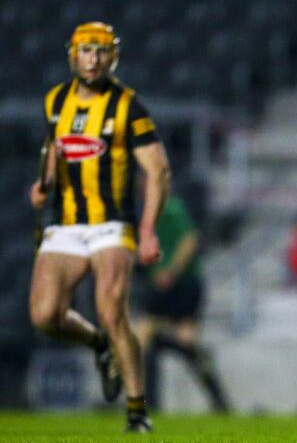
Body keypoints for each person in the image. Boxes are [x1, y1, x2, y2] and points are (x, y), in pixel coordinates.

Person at [28, 22, 170, 433]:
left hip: (112, 223)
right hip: (67, 222)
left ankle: (137, 410)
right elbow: (54, 151)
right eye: (87, 51)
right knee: (44, 315)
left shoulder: (128, 105)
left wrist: (147, 230)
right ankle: (98, 344)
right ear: (74, 55)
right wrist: (43, 185)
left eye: (101, 51)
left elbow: (158, 171)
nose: (94, 59)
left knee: (111, 310)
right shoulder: (55, 100)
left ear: (113, 56)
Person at [134, 193, 229, 412]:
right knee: (142, 340)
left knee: (184, 343)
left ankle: (219, 402)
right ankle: (146, 403)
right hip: (161, 288)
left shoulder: (170, 208)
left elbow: (190, 239)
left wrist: (170, 271)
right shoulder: (143, 212)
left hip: (183, 285)